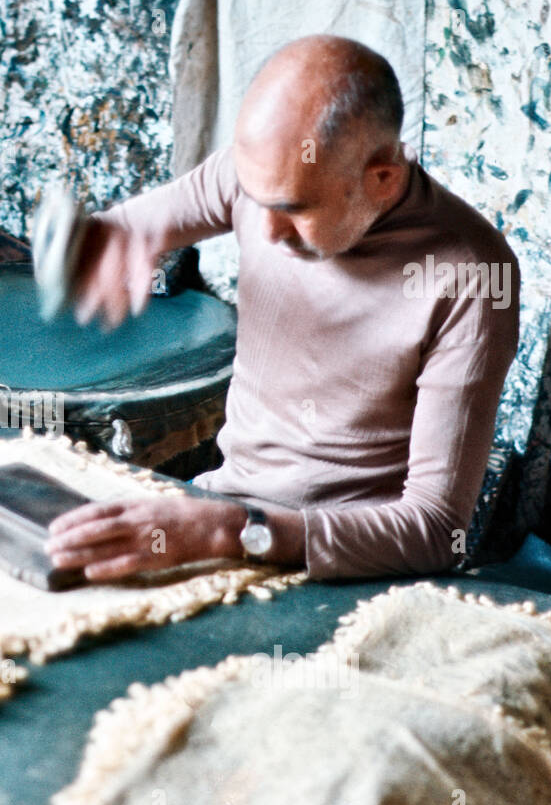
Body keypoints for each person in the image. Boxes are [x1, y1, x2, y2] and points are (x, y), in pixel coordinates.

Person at [45, 35, 520, 581]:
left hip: (343, 564)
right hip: (223, 503)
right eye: (255, 197)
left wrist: (228, 530)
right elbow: (123, 232)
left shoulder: (474, 276)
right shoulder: (261, 178)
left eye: (293, 209)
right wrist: (88, 244)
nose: (266, 230)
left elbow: (438, 531)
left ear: (383, 176)